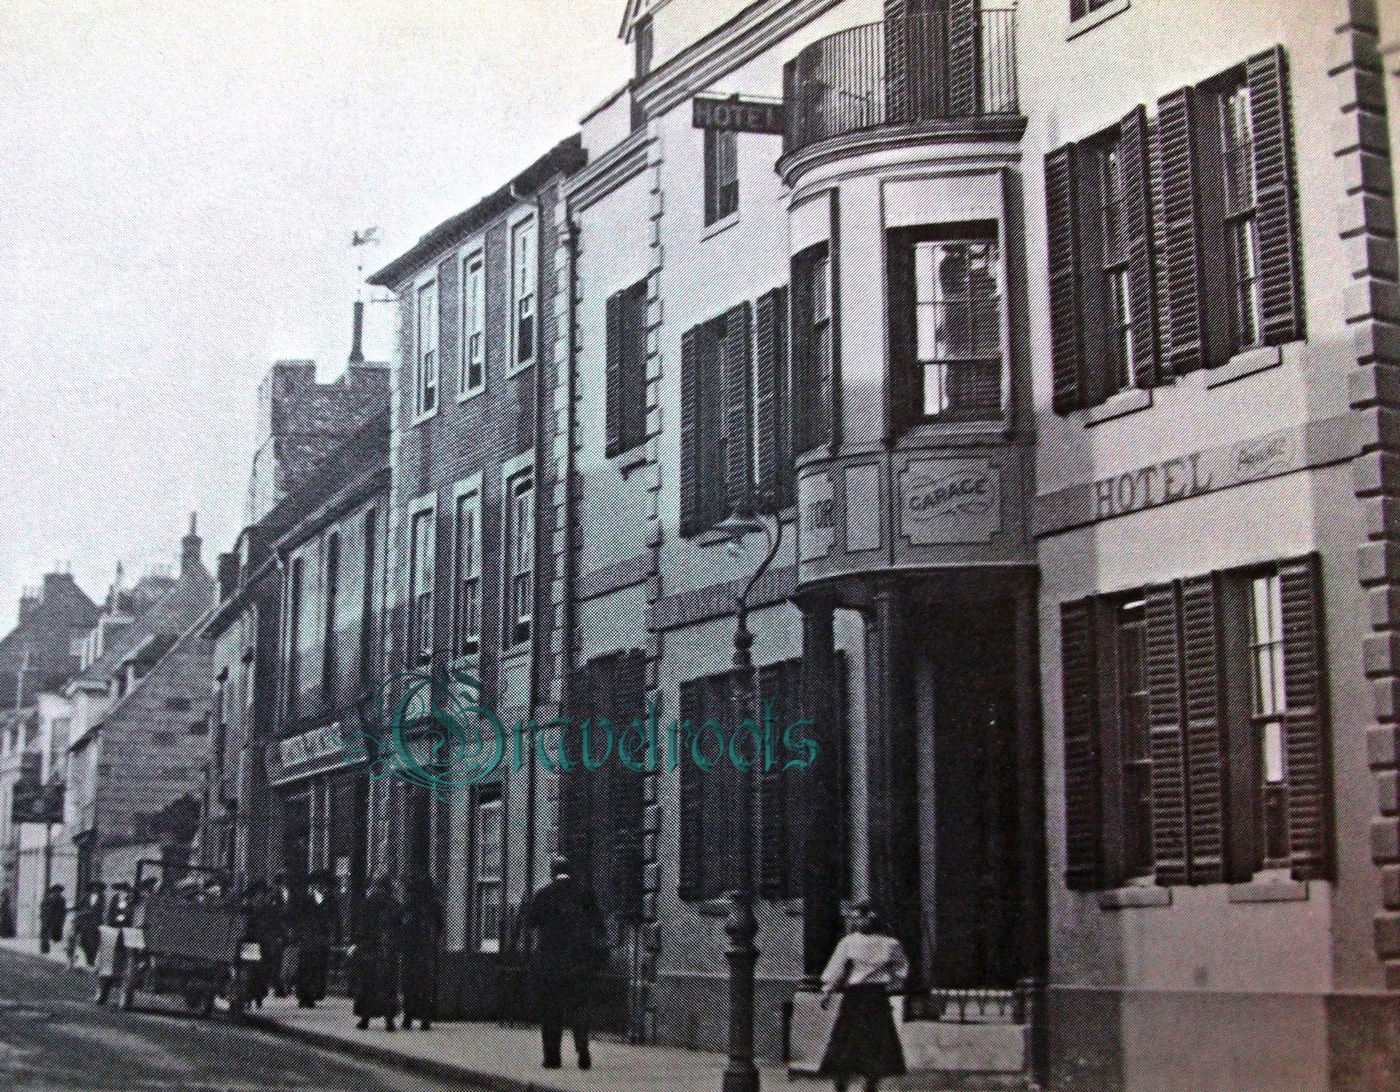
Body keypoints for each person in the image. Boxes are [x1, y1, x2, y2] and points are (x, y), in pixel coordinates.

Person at [517, 855, 607, 1070]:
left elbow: (529, 923)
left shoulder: (544, 895)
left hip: (551, 965)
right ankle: (582, 1049)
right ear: (570, 871)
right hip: (578, 963)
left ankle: (552, 1057)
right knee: (579, 1008)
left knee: (551, 1011)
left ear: (552, 872)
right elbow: (598, 925)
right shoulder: (585, 894)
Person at [817, 902, 909, 1092]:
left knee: (876, 1040)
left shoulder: (890, 944)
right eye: (855, 917)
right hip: (855, 995)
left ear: (873, 917)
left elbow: (901, 967)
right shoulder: (849, 942)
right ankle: (841, 1082)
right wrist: (828, 991)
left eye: (862, 917)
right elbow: (839, 969)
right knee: (847, 1039)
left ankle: (871, 1083)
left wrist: (892, 980)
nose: (858, 921)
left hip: (876, 995)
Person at [351, 875, 402, 1031]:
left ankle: (365, 1018)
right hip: (388, 950)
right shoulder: (394, 905)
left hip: (370, 949)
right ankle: (389, 1019)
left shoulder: (368, 904)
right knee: (388, 984)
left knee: (368, 983)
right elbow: (399, 928)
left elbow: (361, 927)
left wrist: (360, 942)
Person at [400, 876, 443, 1030]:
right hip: (426, 949)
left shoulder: (409, 905)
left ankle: (408, 1017)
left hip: (411, 949)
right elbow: (440, 925)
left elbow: (400, 923)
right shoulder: (434, 905)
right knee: (425, 984)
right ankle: (425, 1018)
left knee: (409, 983)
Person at [293, 871, 337, 1008]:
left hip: (321, 938)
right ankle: (303, 995)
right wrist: (299, 934)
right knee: (305, 966)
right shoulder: (305, 900)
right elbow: (298, 918)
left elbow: (335, 919)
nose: (323, 888)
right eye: (320, 885)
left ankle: (313, 994)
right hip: (308, 938)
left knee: (318, 966)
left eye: (325, 886)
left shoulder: (331, 900)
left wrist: (333, 936)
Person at [93, 882, 135, 1005]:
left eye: (125, 890)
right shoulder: (117, 900)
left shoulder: (129, 900)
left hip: (125, 936)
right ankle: (102, 993)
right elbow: (114, 917)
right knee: (107, 965)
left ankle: (107, 992)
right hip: (114, 935)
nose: (124, 892)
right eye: (122, 890)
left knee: (119, 965)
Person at [72, 882, 104, 967]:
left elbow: (102, 910)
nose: (95, 889)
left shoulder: (102, 898)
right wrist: (80, 915)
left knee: (94, 943)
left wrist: (99, 920)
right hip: (85, 922)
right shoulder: (86, 897)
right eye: (94, 887)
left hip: (95, 923)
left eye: (97, 888)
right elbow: (79, 907)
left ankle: (91, 960)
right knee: (84, 942)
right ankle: (87, 958)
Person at [38, 884, 67, 953]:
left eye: (59, 891)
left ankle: (45, 949)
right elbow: (63, 911)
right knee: (49, 934)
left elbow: (42, 907)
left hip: (50, 918)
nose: (58, 893)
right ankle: (46, 949)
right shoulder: (60, 899)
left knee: (47, 934)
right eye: (58, 891)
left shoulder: (48, 898)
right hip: (52, 919)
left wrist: (43, 916)